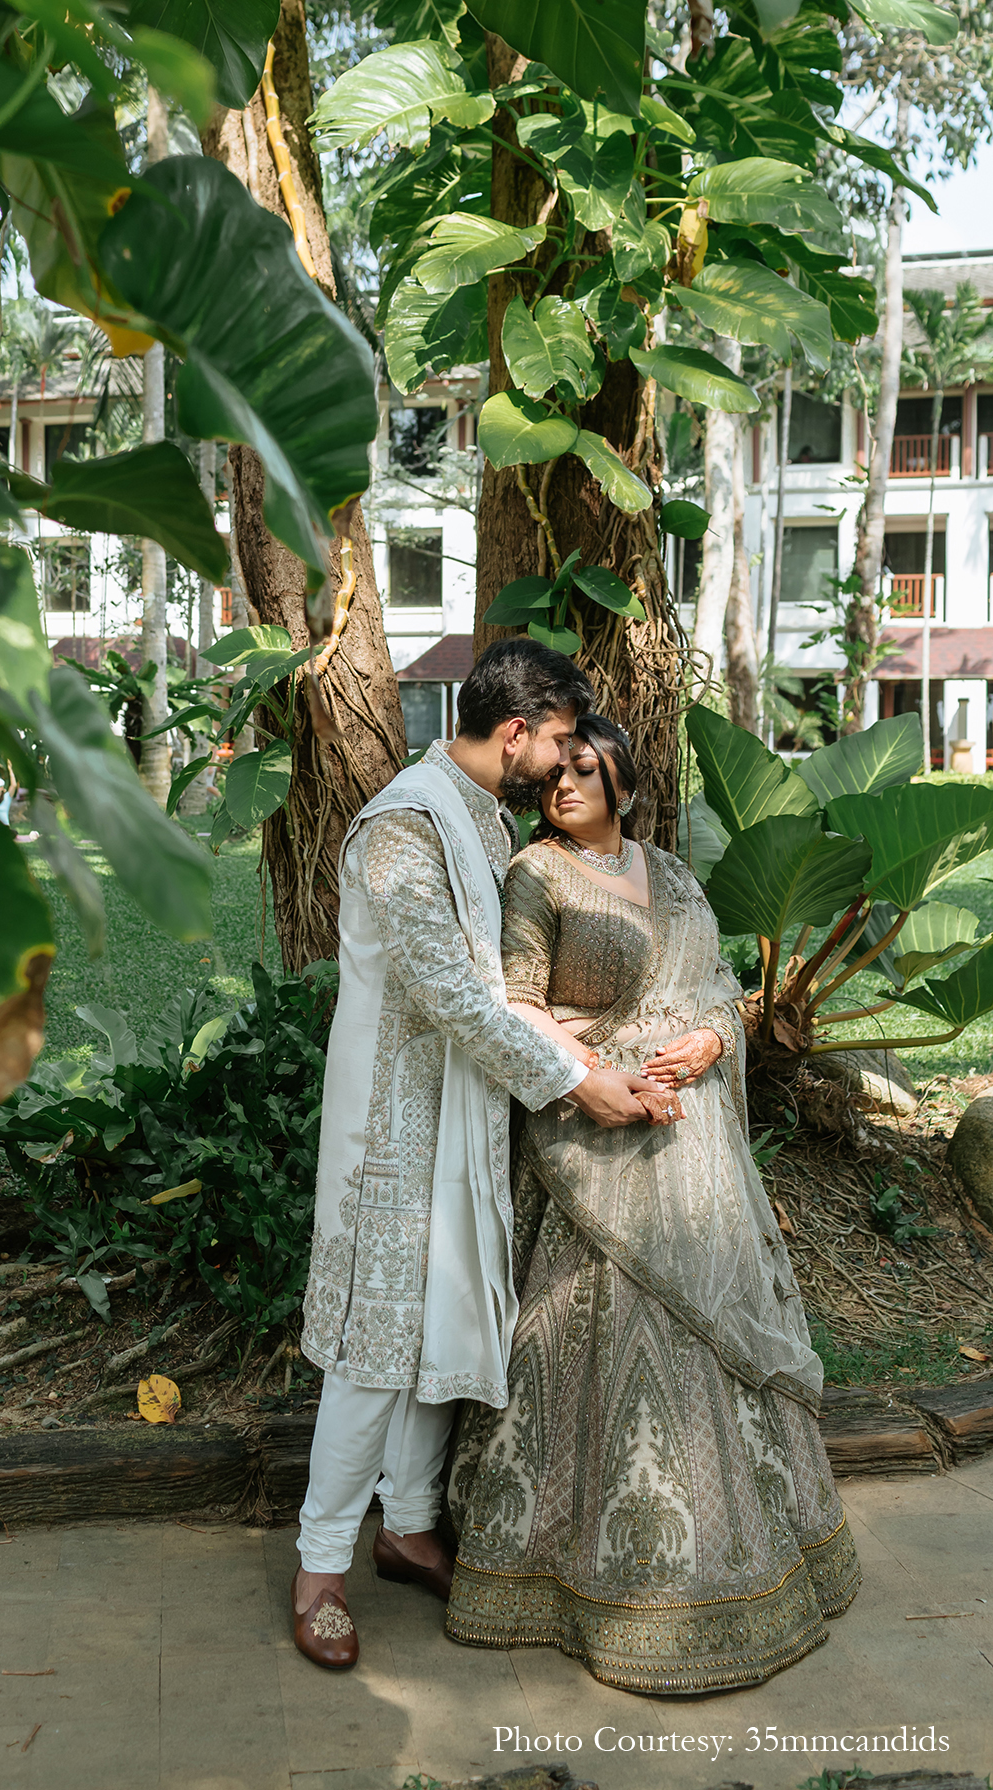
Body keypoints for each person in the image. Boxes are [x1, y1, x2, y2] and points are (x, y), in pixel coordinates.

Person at [445, 716, 860, 1694]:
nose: (564, 785)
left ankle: (752, 1554)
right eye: (556, 772)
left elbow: (716, 989)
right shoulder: (536, 875)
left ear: (624, 787)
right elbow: (517, 1005)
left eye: (587, 771)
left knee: (706, 1328)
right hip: (590, 1131)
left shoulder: (669, 876)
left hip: (688, 1140)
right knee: (591, 1328)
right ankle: (566, 1576)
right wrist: (601, 1074)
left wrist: (710, 1043)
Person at [294, 643, 673, 1670]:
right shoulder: (405, 828)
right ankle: (319, 1570)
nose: (561, 763)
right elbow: (453, 997)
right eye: (557, 740)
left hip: (466, 1114)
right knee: (376, 1347)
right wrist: (577, 1081)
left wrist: (587, 1042)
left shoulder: (483, 820)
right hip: (392, 1127)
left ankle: (409, 1528)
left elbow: (503, 987)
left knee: (446, 1318)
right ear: (515, 731)